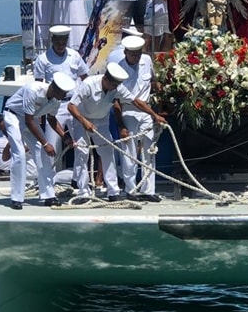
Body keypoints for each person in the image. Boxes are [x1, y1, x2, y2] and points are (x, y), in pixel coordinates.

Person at [67, 62, 166, 203]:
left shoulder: (116, 88)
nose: (115, 88)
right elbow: (71, 106)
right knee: (82, 154)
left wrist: (154, 115)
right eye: (113, 85)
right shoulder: (88, 84)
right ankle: (84, 192)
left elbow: (136, 102)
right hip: (81, 119)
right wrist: (84, 122)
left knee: (108, 153)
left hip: (101, 121)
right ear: (106, 79)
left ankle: (113, 191)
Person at [33, 25, 89, 172]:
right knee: (52, 143)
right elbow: (38, 86)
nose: (60, 45)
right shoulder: (43, 59)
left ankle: (79, 182)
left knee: (81, 144)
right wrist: (40, 111)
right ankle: (48, 181)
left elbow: (85, 78)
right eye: (58, 42)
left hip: (74, 103)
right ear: (52, 40)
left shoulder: (75, 56)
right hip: (55, 105)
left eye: (63, 42)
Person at [19, 72, 77, 206]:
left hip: (31, 121)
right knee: (19, 155)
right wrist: (45, 143)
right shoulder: (33, 89)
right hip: (16, 118)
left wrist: (65, 136)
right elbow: (28, 120)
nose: (64, 97)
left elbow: (51, 119)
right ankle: (17, 197)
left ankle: (48, 196)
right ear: (55, 89)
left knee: (43, 156)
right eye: (63, 93)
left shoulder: (55, 102)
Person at [115, 34, 161, 201]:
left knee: (149, 151)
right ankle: (131, 189)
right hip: (129, 111)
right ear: (125, 52)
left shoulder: (147, 60)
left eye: (138, 53)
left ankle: (149, 190)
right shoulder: (118, 69)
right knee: (129, 153)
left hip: (147, 111)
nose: (136, 57)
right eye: (133, 54)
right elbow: (116, 102)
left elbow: (153, 80)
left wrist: (158, 103)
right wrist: (121, 126)